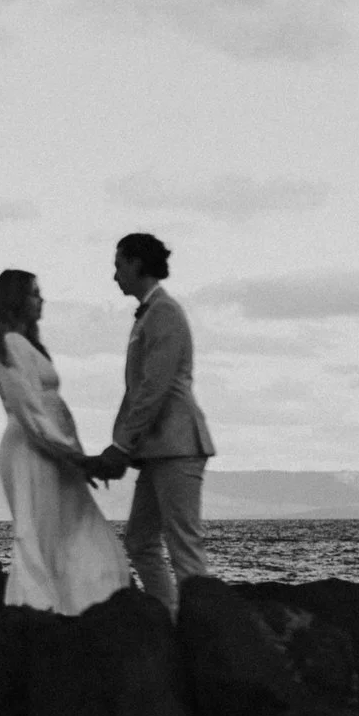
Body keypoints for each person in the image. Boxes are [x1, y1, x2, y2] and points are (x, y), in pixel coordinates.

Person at [0, 268, 133, 614]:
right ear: (17, 299)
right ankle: (40, 609)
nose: (42, 299)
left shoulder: (24, 345)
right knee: (42, 532)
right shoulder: (9, 346)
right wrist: (75, 458)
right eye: (35, 293)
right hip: (32, 452)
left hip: (53, 452)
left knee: (72, 527)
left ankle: (78, 605)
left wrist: (72, 455)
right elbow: (31, 414)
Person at [90, 233, 216, 615]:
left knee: (183, 546)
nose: (114, 275)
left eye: (118, 265)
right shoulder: (153, 313)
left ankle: (203, 632)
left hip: (177, 447)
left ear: (137, 263)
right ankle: (172, 618)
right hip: (159, 449)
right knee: (141, 542)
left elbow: (153, 390)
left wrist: (122, 446)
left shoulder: (163, 313)